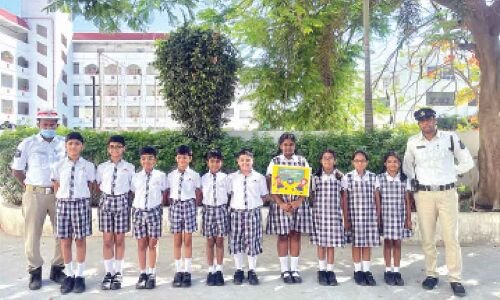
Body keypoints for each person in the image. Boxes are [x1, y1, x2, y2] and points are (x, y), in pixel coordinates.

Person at [403, 107, 474, 297]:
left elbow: (467, 161)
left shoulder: (450, 138)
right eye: (422, 121)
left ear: (435, 120)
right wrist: (414, 185)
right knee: (427, 238)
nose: (425, 123)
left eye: (428, 120)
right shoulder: (412, 142)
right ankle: (431, 274)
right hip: (424, 195)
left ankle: (455, 278)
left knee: (451, 237)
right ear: (419, 124)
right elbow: (407, 167)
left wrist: (453, 173)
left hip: (447, 193)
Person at [11, 109, 66, 290]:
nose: (49, 127)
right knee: (33, 233)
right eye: (45, 124)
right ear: (38, 125)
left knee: (63, 232)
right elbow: (17, 171)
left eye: (52, 125)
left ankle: (58, 269)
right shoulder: (27, 144)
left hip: (59, 194)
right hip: (35, 194)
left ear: (57, 125)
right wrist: (29, 187)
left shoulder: (65, 144)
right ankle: (34, 271)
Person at [51, 132, 96, 294]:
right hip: (63, 204)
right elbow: (56, 185)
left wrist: (80, 197)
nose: (73, 146)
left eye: (77, 143)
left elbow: (91, 185)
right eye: (70, 143)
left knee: (80, 240)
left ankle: (80, 275)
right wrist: (62, 197)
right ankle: (69, 275)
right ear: (65, 146)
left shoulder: (88, 166)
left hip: (81, 203)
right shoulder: (58, 165)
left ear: (82, 146)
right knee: (65, 241)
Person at [265, 133, 313, 284]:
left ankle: (294, 269)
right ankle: (284, 270)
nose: (288, 147)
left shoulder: (301, 161)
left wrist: (299, 200)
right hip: (281, 204)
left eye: (291, 144)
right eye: (285, 144)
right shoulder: (275, 162)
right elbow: (270, 184)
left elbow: (307, 182)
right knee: (283, 235)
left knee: (295, 234)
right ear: (280, 146)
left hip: (297, 204)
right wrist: (280, 203)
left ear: (295, 146)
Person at [96, 135, 135, 290]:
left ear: (123, 149)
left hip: (122, 201)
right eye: (112, 146)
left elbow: (132, 188)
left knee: (119, 239)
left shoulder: (130, 167)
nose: (115, 149)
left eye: (118, 146)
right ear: (108, 149)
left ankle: (118, 272)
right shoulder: (102, 167)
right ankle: (108, 273)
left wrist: (125, 200)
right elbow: (98, 184)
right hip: (106, 201)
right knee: (107, 239)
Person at [228, 149, 269, 285]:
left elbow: (264, 195)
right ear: (238, 162)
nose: (245, 162)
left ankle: (252, 270)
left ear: (252, 161)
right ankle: (239, 270)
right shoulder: (232, 177)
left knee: (252, 242)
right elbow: (228, 194)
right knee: (237, 242)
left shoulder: (259, 177)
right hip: (236, 213)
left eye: (248, 160)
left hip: (253, 213)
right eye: (242, 160)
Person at [342, 150, 380, 286]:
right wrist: (346, 218)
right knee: (357, 244)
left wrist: (378, 215)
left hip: (369, 216)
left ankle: (367, 271)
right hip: (355, 216)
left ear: (366, 162)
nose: (360, 163)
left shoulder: (373, 177)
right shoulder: (348, 177)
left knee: (367, 244)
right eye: (357, 160)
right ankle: (358, 271)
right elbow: (345, 199)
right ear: (353, 162)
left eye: (362, 160)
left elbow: (376, 198)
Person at [131, 146, 167, 290]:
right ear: (141, 160)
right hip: (139, 211)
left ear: (155, 160)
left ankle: (152, 273)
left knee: (152, 243)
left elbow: (164, 193)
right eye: (144, 158)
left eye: (151, 158)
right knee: (141, 244)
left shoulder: (161, 176)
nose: (147, 161)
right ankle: (143, 273)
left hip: (154, 211)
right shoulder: (135, 176)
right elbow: (133, 192)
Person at [166, 145, 202, 288]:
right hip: (175, 206)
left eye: (185, 157)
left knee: (187, 240)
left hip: (189, 206)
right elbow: (168, 192)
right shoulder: (171, 175)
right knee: (177, 240)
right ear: (176, 158)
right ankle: (178, 270)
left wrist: (195, 206)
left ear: (190, 159)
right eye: (180, 157)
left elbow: (198, 192)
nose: (182, 159)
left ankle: (187, 271)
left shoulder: (194, 175)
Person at [375, 151, 412, 286]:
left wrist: (408, 218)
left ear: (399, 164)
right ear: (385, 164)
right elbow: (377, 199)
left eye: (395, 161)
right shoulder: (380, 178)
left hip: (399, 216)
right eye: (389, 161)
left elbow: (407, 200)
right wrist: (378, 217)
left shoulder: (404, 179)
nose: (392, 164)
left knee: (397, 243)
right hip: (386, 216)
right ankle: (388, 271)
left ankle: (396, 271)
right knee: (388, 243)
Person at [310, 149, 345, 286]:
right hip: (320, 215)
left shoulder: (340, 176)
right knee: (321, 243)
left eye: (330, 158)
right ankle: (322, 270)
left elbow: (343, 197)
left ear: (334, 161)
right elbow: (312, 196)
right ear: (321, 161)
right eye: (325, 158)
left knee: (331, 244)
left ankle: (330, 270)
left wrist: (344, 214)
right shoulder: (315, 177)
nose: (327, 160)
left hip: (334, 215)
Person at [201, 149, 230, 286]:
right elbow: (200, 195)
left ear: (221, 163)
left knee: (219, 241)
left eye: (217, 161)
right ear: (207, 162)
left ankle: (219, 270)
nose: (214, 164)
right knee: (209, 241)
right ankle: (211, 270)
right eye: (212, 161)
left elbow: (230, 194)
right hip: (208, 210)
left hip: (221, 210)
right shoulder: (203, 178)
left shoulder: (226, 178)